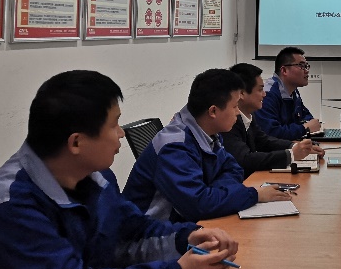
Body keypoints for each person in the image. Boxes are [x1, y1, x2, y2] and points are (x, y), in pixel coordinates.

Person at [0, 70, 238, 269]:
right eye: (114, 124)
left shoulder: (95, 176)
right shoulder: (9, 207)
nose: (121, 134)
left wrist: (187, 237)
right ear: (76, 143)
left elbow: (131, 230)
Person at [123, 68, 290, 222]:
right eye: (234, 107)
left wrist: (214, 194)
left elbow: (233, 169)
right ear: (213, 111)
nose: (238, 113)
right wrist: (253, 195)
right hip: (153, 236)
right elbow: (199, 206)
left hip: (186, 224)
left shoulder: (208, 132)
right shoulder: (174, 147)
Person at [222, 63, 324, 176]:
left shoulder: (248, 115)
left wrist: (297, 147)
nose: (264, 94)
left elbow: (264, 141)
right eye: (260, 90)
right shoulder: (228, 122)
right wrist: (291, 155)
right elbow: (245, 159)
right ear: (242, 93)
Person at [254, 47, 321, 140]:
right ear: (284, 70)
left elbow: (305, 116)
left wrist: (309, 124)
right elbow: (272, 133)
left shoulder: (293, 91)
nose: (306, 70)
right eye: (301, 66)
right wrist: (305, 128)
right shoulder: (268, 94)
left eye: (306, 66)